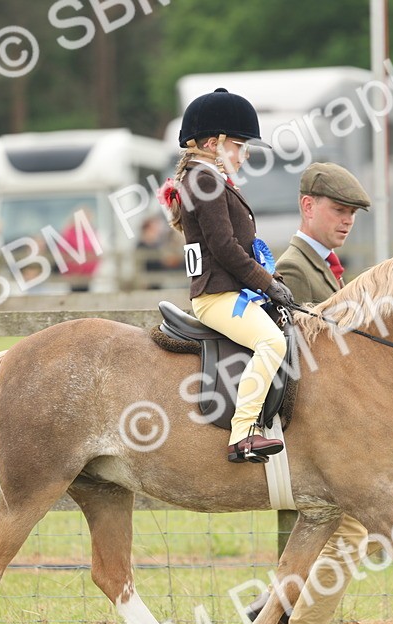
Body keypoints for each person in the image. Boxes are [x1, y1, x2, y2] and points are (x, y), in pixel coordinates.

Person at [250, 162, 377, 624]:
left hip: (328, 432)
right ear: (308, 207)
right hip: (312, 434)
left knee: (348, 531)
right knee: (351, 531)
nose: (347, 221)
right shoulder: (295, 269)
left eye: (352, 214)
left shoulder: (323, 266)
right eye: (338, 210)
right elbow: (298, 358)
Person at [162, 88, 296, 463]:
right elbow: (224, 247)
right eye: (239, 145)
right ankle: (243, 434)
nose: (245, 154)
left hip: (231, 292)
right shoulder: (205, 181)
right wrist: (267, 283)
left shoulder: (207, 179)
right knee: (272, 343)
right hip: (218, 296)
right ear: (213, 143)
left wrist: (270, 281)